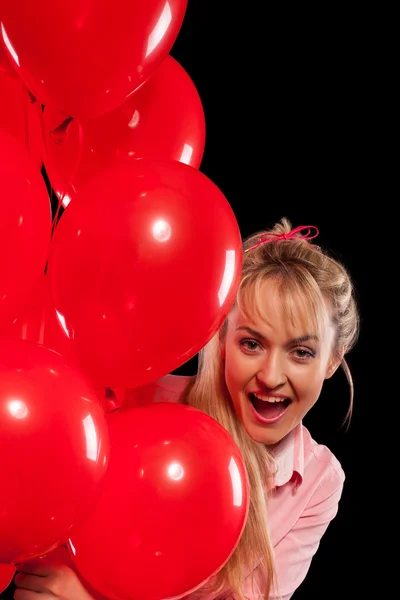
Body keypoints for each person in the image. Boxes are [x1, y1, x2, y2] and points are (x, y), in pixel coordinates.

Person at [12, 217, 360, 600]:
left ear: (331, 362)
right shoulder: (143, 401)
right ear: (223, 339)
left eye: (301, 352)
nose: (271, 377)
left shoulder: (318, 481)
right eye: (252, 344)